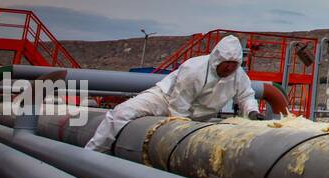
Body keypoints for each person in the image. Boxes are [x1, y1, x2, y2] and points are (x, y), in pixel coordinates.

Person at [84, 35, 261, 153]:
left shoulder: (238, 76)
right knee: (120, 113)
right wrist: (180, 134)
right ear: (217, 59)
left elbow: (246, 96)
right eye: (226, 63)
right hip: (164, 99)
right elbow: (179, 104)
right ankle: (93, 154)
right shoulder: (194, 69)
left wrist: (252, 112)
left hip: (199, 117)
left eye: (234, 64)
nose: (230, 68)